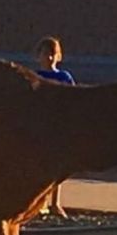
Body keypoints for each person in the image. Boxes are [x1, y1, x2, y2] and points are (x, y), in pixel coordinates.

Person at [34, 36, 76, 218]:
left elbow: (73, 97)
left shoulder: (63, 77)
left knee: (58, 166)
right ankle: (39, 202)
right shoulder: (35, 76)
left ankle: (55, 203)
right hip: (39, 124)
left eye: (52, 54)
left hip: (58, 125)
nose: (49, 58)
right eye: (45, 54)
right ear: (38, 56)